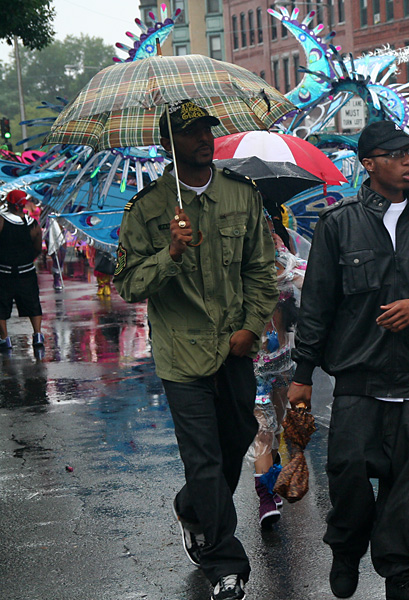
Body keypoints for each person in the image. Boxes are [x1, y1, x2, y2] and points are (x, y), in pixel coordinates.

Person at [287, 120, 409, 600]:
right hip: (358, 377)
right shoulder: (338, 224)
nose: (408, 161)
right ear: (368, 163)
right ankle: (346, 548)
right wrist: (302, 374)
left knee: (408, 484)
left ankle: (402, 572)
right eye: (395, 155)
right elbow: (317, 305)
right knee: (347, 473)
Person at [114, 100, 278, 600]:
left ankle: (192, 506)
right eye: (189, 133)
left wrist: (251, 327)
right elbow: (128, 284)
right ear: (168, 143)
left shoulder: (241, 195)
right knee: (203, 457)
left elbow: (261, 269)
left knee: (237, 438)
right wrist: (171, 253)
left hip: (234, 348)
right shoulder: (147, 209)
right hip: (181, 355)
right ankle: (225, 566)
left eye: (206, 129)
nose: (203, 139)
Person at [247, 209, 308, 529]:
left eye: (270, 227)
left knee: (281, 423)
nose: (267, 234)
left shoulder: (286, 262)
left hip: (285, 362)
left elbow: (312, 279)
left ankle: (273, 468)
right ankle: (265, 497)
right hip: (254, 366)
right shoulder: (239, 269)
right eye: (260, 228)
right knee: (263, 429)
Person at [0, 189, 45, 350]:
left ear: (10, 204)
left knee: (1, 306)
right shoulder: (32, 224)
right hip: (27, 272)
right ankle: (37, 334)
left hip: (4, 272)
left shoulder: (1, 220)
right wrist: (27, 259)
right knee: (33, 303)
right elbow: (38, 248)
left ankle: (4, 339)